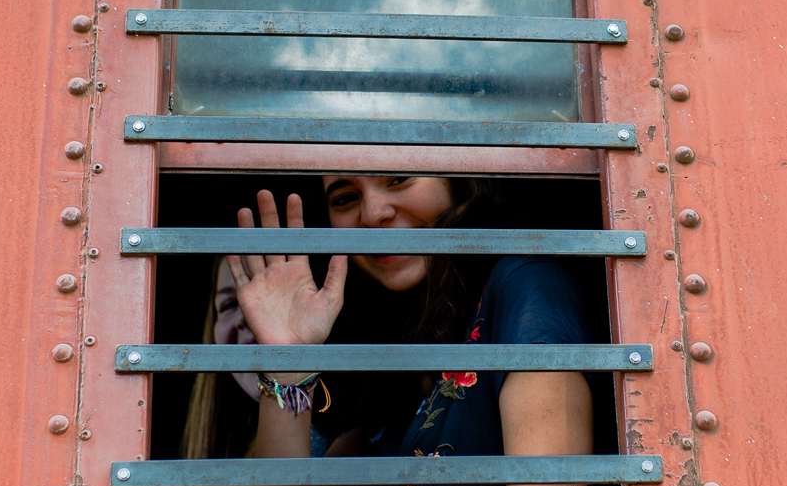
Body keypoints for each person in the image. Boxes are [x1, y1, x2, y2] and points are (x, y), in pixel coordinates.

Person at [221, 177, 599, 461]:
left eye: (398, 178)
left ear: (459, 181)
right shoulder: (383, 359)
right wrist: (288, 364)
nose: (372, 214)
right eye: (346, 198)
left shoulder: (526, 287)